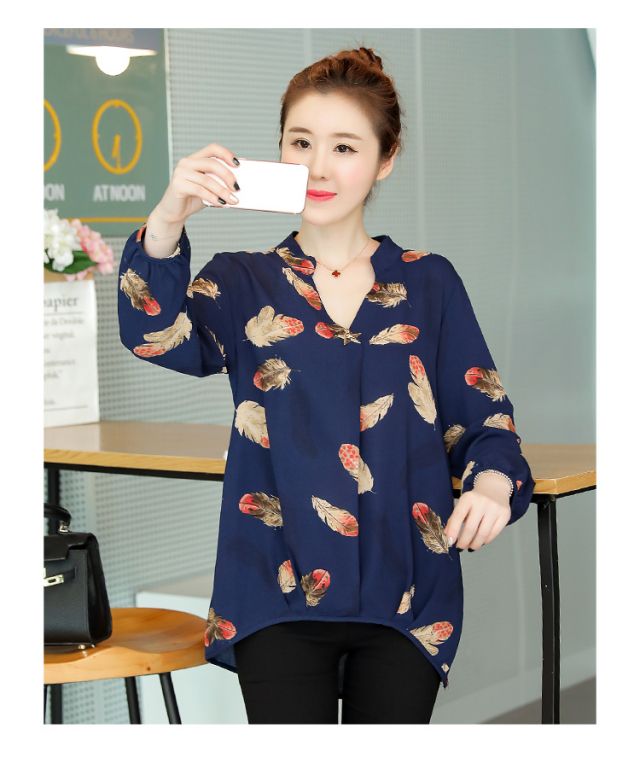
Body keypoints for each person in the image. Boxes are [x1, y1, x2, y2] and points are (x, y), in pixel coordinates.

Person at [117, 46, 535, 724]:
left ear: (385, 159)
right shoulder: (240, 280)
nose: (317, 166)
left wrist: (491, 485)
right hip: (274, 590)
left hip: (406, 594)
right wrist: (169, 218)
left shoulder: (429, 283)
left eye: (344, 147)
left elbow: (485, 419)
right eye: (301, 142)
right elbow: (154, 334)